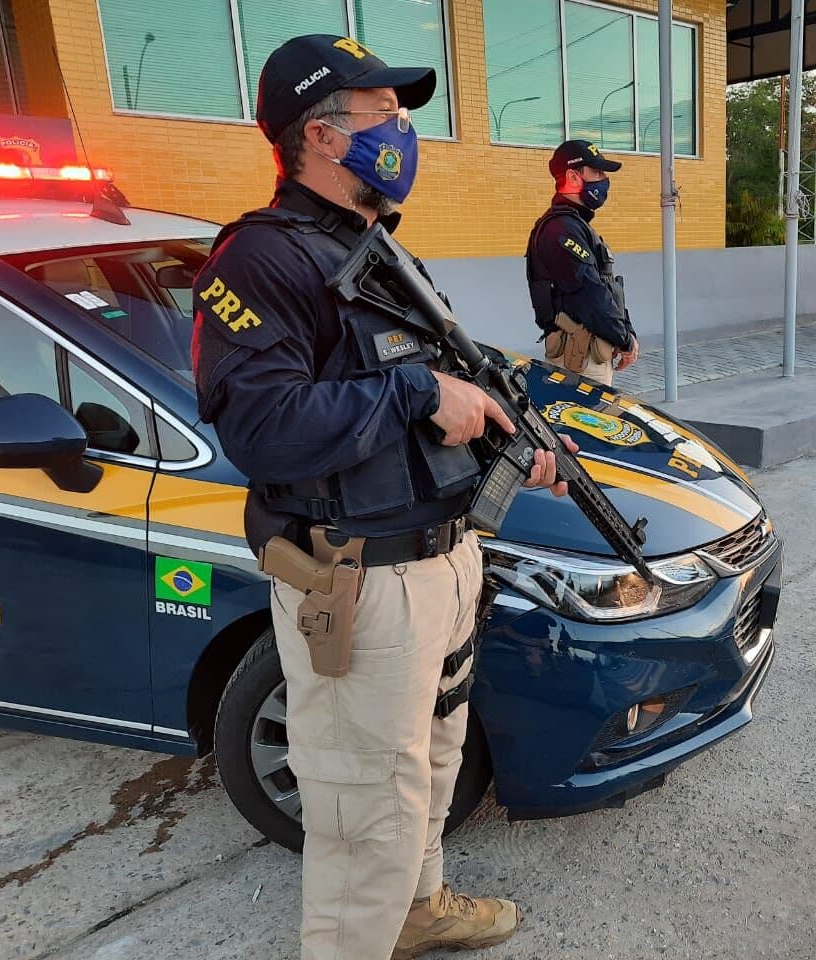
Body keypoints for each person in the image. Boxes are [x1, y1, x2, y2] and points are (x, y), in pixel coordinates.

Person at [191, 34, 573, 960]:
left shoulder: (371, 248)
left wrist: (510, 429)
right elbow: (261, 426)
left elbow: (442, 384)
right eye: (385, 114)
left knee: (431, 764)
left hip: (443, 560)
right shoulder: (259, 259)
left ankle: (416, 909)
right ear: (321, 137)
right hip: (361, 584)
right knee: (364, 802)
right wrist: (416, 393)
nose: (406, 131)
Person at [525, 139, 639, 385]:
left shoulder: (575, 226)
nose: (602, 180)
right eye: (596, 172)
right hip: (580, 359)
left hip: (588, 354)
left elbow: (606, 287)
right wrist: (625, 339)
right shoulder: (561, 229)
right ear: (573, 177)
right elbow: (591, 295)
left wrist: (625, 331)